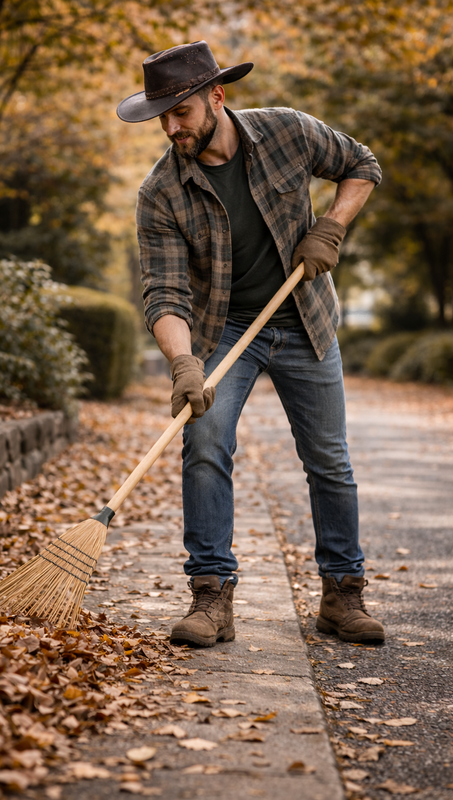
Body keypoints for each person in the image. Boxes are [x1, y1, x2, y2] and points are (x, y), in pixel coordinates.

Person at [117, 40, 385, 647]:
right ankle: (210, 597)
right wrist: (184, 362)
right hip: (225, 327)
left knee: (329, 460)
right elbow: (164, 293)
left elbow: (362, 165)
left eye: (180, 112)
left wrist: (331, 227)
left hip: (305, 316)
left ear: (216, 96)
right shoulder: (160, 192)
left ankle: (343, 595)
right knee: (204, 441)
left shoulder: (288, 133)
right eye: (162, 116)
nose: (170, 127)